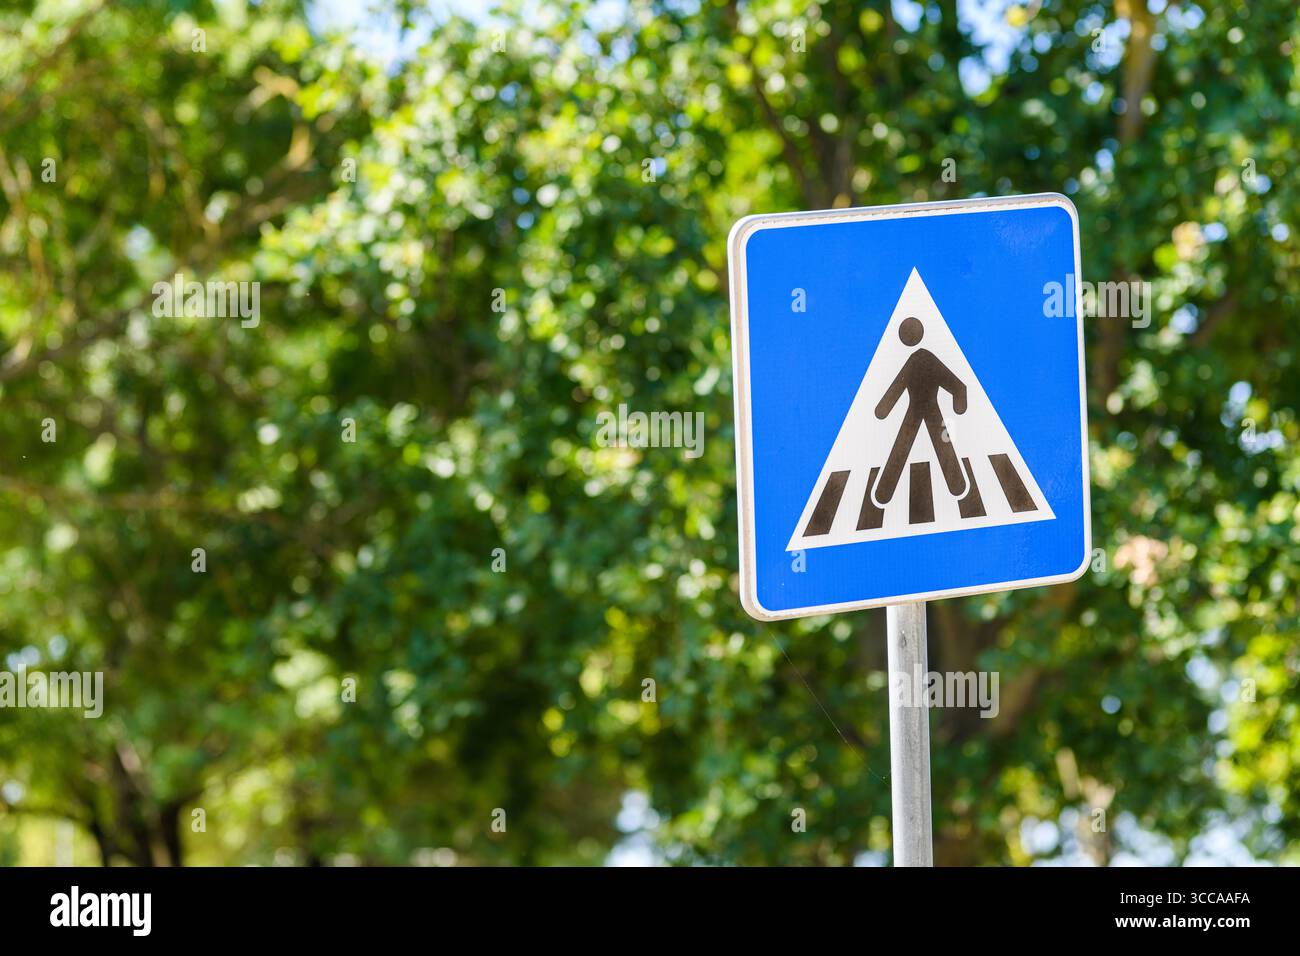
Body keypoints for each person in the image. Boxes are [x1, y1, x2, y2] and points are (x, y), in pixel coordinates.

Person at [873, 316, 968, 505]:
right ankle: (957, 485)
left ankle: (884, 493)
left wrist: (883, 410)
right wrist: (959, 402)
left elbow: (957, 385)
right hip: (926, 409)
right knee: (937, 444)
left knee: (904, 446)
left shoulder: (919, 359)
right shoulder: (923, 359)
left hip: (921, 410)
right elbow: (957, 385)